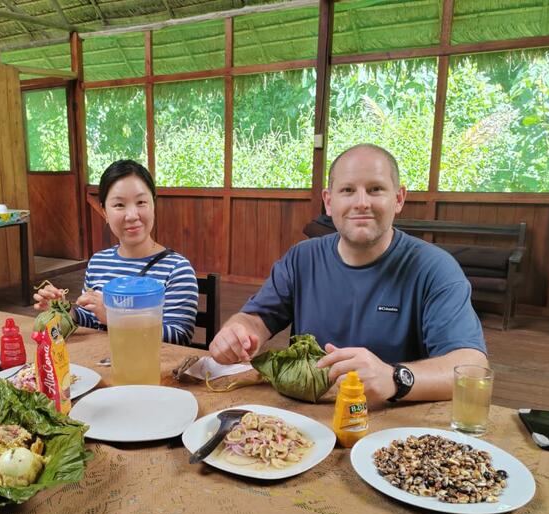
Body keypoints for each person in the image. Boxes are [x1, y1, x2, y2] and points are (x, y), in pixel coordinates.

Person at [210, 143, 488, 404]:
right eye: (347, 190)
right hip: (309, 417)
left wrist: (394, 378)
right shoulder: (302, 258)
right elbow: (257, 319)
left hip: (392, 423)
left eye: (376, 189)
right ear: (329, 202)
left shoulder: (434, 267)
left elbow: (471, 366)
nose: (361, 202)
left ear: (399, 198)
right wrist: (238, 332)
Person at [34, 160, 198, 345]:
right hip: (102, 362)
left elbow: (179, 337)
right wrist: (62, 310)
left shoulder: (177, 269)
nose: (132, 215)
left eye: (141, 202)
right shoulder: (98, 263)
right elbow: (93, 319)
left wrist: (116, 316)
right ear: (105, 212)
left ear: (153, 204)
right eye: (119, 205)